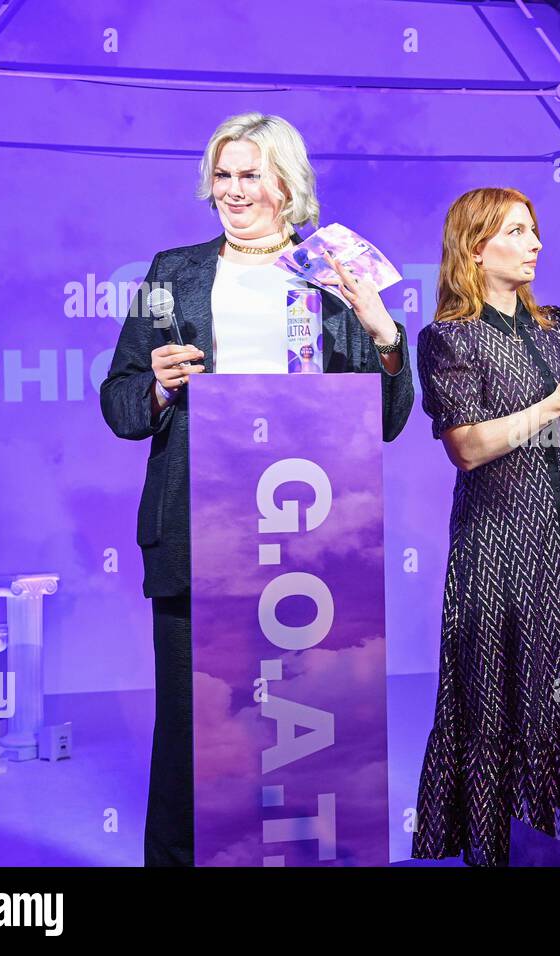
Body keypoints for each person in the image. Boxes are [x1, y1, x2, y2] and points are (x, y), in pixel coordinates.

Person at [100, 112, 414, 866]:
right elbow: (118, 403)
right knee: (192, 731)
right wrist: (160, 387)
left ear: (287, 184)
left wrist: (383, 333)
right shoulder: (171, 273)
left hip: (309, 541)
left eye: (250, 175)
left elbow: (388, 422)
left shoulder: (333, 273)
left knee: (308, 729)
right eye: (223, 174)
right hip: (195, 530)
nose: (233, 190)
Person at [411, 187, 560, 866]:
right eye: (517, 231)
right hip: (496, 533)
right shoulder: (448, 337)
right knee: (498, 680)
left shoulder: (555, 324)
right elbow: (469, 447)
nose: (535, 243)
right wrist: (555, 400)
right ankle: (495, 846)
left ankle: (556, 844)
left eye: (534, 230)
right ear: (476, 246)